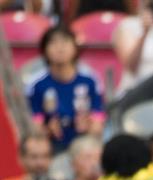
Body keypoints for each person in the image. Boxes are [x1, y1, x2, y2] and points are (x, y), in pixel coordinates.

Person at [27, 25, 105, 154]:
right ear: (44, 50)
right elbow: (35, 125)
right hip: (52, 146)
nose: (60, 48)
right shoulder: (37, 85)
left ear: (75, 48)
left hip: (83, 143)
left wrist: (88, 128)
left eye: (65, 42)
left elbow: (98, 121)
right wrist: (47, 131)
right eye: (53, 43)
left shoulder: (90, 81)